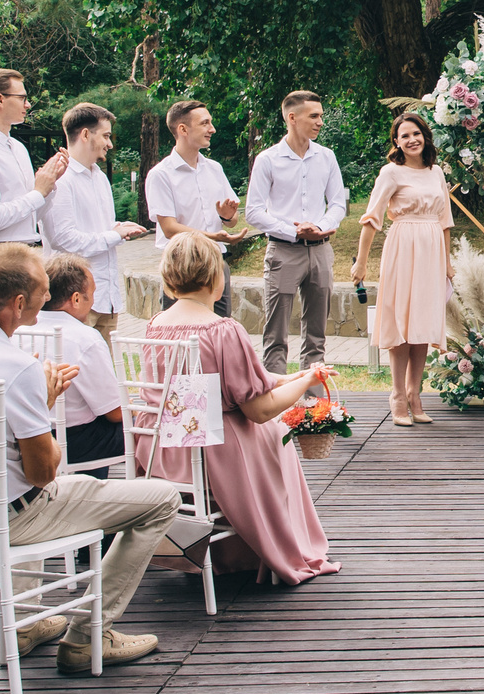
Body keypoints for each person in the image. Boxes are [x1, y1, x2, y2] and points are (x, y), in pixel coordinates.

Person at [0, 243, 183, 673]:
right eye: (41, 292)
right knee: (161, 498)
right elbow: (43, 473)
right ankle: (89, 635)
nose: (43, 299)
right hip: (13, 518)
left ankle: (24, 624)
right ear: (18, 303)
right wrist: (47, 400)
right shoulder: (18, 368)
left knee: (24, 488)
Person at [135, 232, 341, 583]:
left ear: (169, 279)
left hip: (162, 447)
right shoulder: (222, 330)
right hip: (214, 451)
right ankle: (268, 546)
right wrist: (307, 383)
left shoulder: (155, 326)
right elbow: (257, 410)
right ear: (217, 278)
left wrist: (295, 376)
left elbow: (250, 380)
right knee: (274, 431)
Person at [351, 113, 454, 427]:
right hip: (402, 247)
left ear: (425, 136)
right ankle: (396, 394)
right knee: (401, 321)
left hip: (432, 250)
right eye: (404, 135)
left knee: (422, 321)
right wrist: (361, 260)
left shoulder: (436, 172)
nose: (411, 140)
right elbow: (371, 218)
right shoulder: (390, 173)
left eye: (416, 133)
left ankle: (415, 393)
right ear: (396, 141)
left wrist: (447, 263)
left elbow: (445, 220)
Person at [246, 91, 348, 371]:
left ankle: (314, 405)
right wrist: (293, 231)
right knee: (275, 333)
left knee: (317, 334)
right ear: (292, 118)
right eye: (314, 116)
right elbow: (253, 211)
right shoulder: (268, 160)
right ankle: (275, 402)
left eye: (321, 116)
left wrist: (319, 227)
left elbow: (338, 204)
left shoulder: (327, 157)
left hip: (321, 251)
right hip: (283, 251)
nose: (320, 122)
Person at [40, 102, 148, 343]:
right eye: (106, 136)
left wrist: (119, 228)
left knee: (104, 373)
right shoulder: (60, 178)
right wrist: (115, 235)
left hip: (105, 296)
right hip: (72, 298)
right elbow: (64, 240)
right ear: (86, 134)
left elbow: (96, 228)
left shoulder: (99, 177)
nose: (110, 144)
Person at [0, 68, 69, 288]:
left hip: (22, 253)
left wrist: (50, 185)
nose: (27, 105)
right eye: (22, 98)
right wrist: (38, 192)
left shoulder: (17, 148)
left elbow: (29, 217)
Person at [145, 99, 248, 316]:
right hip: (181, 266)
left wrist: (227, 218)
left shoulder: (214, 169)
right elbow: (169, 228)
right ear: (183, 129)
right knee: (181, 333)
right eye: (204, 123)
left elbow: (232, 219)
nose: (212, 129)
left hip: (216, 263)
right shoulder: (161, 174)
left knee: (220, 328)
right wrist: (213, 236)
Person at [37, 252, 128, 468]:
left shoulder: (21, 328)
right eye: (92, 293)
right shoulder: (84, 337)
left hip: (31, 436)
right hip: (77, 442)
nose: (94, 301)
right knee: (148, 426)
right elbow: (114, 412)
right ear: (76, 299)